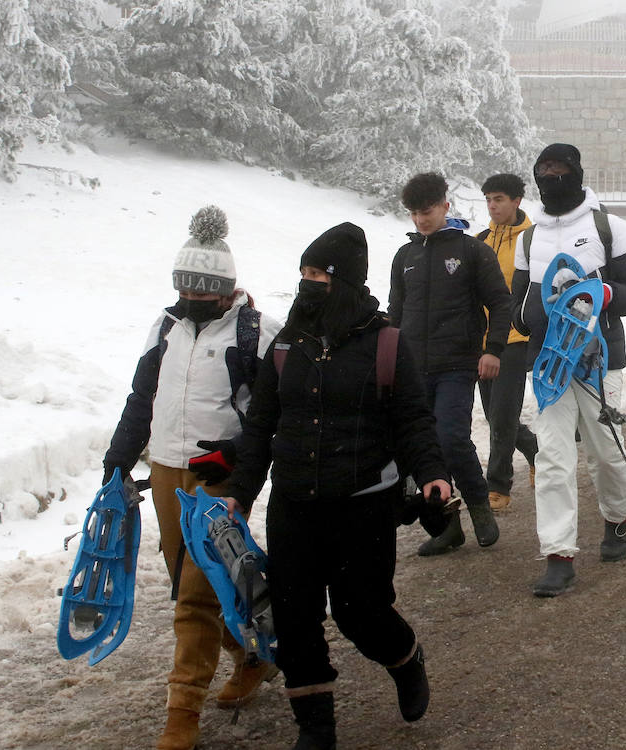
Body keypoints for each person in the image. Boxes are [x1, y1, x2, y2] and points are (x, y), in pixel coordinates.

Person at [222, 222, 451, 748]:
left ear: (344, 279)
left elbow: (414, 420)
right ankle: (316, 728)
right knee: (296, 618)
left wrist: (434, 475)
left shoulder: (387, 342)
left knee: (360, 613)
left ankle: (405, 657)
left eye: (319, 273)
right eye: (304, 272)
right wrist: (240, 491)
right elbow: (261, 425)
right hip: (294, 504)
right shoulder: (287, 343)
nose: (309, 282)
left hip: (364, 506)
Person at [101, 206, 283, 750]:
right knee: (190, 581)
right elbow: (143, 398)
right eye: (187, 292)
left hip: (217, 476)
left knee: (196, 595)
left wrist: (225, 463)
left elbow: (269, 422)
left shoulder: (257, 334)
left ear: (227, 290)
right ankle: (249, 656)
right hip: (164, 468)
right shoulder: (165, 326)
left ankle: (182, 714)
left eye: (206, 295)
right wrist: (118, 458)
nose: (195, 304)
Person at [511, 143, 626, 597]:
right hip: (548, 363)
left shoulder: (610, 227)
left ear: (576, 172)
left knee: (605, 451)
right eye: (543, 170)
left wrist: (605, 295)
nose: (551, 177)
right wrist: (524, 318)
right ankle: (558, 555)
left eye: (559, 169)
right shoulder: (528, 238)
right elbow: (517, 301)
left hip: (598, 359)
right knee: (552, 457)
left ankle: (616, 518)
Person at [389, 172, 509, 556]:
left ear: (445, 205)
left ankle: (479, 508)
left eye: (426, 211)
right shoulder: (405, 256)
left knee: (450, 437)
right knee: (422, 449)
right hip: (411, 368)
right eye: (413, 214)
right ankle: (447, 526)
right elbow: (395, 313)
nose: (421, 220)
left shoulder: (472, 250)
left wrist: (494, 350)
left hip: (458, 363)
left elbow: (501, 302)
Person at [475, 173, 539, 511]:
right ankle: (534, 450)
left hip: (517, 337)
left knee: (502, 415)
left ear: (516, 200)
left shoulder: (533, 240)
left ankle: (497, 487)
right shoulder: (480, 240)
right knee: (495, 414)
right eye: (488, 199)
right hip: (483, 341)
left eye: (498, 199)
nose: (492, 205)